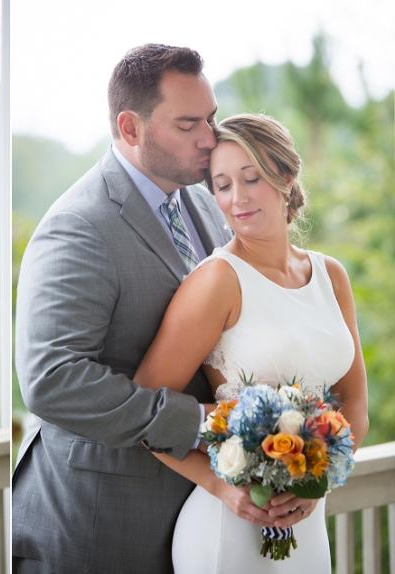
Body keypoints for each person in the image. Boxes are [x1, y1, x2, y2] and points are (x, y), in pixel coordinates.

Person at [13, 44, 232, 573]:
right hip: (100, 522)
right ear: (130, 128)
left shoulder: (205, 202)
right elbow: (53, 380)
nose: (209, 139)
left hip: (204, 517)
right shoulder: (79, 225)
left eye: (211, 119)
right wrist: (202, 421)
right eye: (187, 125)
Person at [131, 113, 368, 573]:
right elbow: (146, 410)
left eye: (250, 178)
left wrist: (317, 483)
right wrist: (223, 487)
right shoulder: (218, 280)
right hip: (228, 525)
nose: (236, 199)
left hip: (308, 518)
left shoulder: (330, 275)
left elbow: (355, 407)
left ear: (285, 175)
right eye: (221, 184)